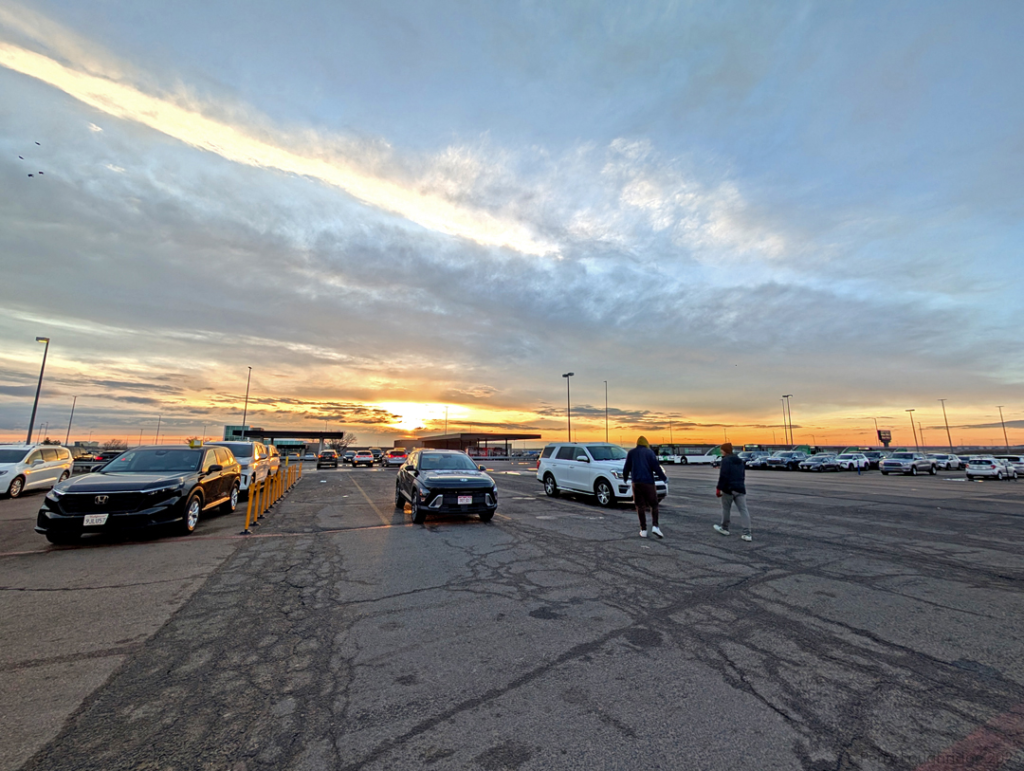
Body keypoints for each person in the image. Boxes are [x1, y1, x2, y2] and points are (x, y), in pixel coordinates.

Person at [623, 436, 668, 538]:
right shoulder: (649, 453)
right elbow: (656, 467)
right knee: (654, 504)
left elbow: (626, 467)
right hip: (648, 483)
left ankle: (643, 530)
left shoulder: (631, 453)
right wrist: (664, 478)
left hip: (636, 483)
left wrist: (625, 478)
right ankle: (655, 526)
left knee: (640, 506)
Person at [714, 443, 753, 541]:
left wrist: (719, 488)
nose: (721, 451)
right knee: (743, 510)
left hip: (728, 489)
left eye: (722, 450)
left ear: (725, 450)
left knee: (726, 509)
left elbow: (723, 476)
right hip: (740, 488)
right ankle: (747, 533)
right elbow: (742, 474)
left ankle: (725, 528)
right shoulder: (739, 460)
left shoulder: (725, 460)